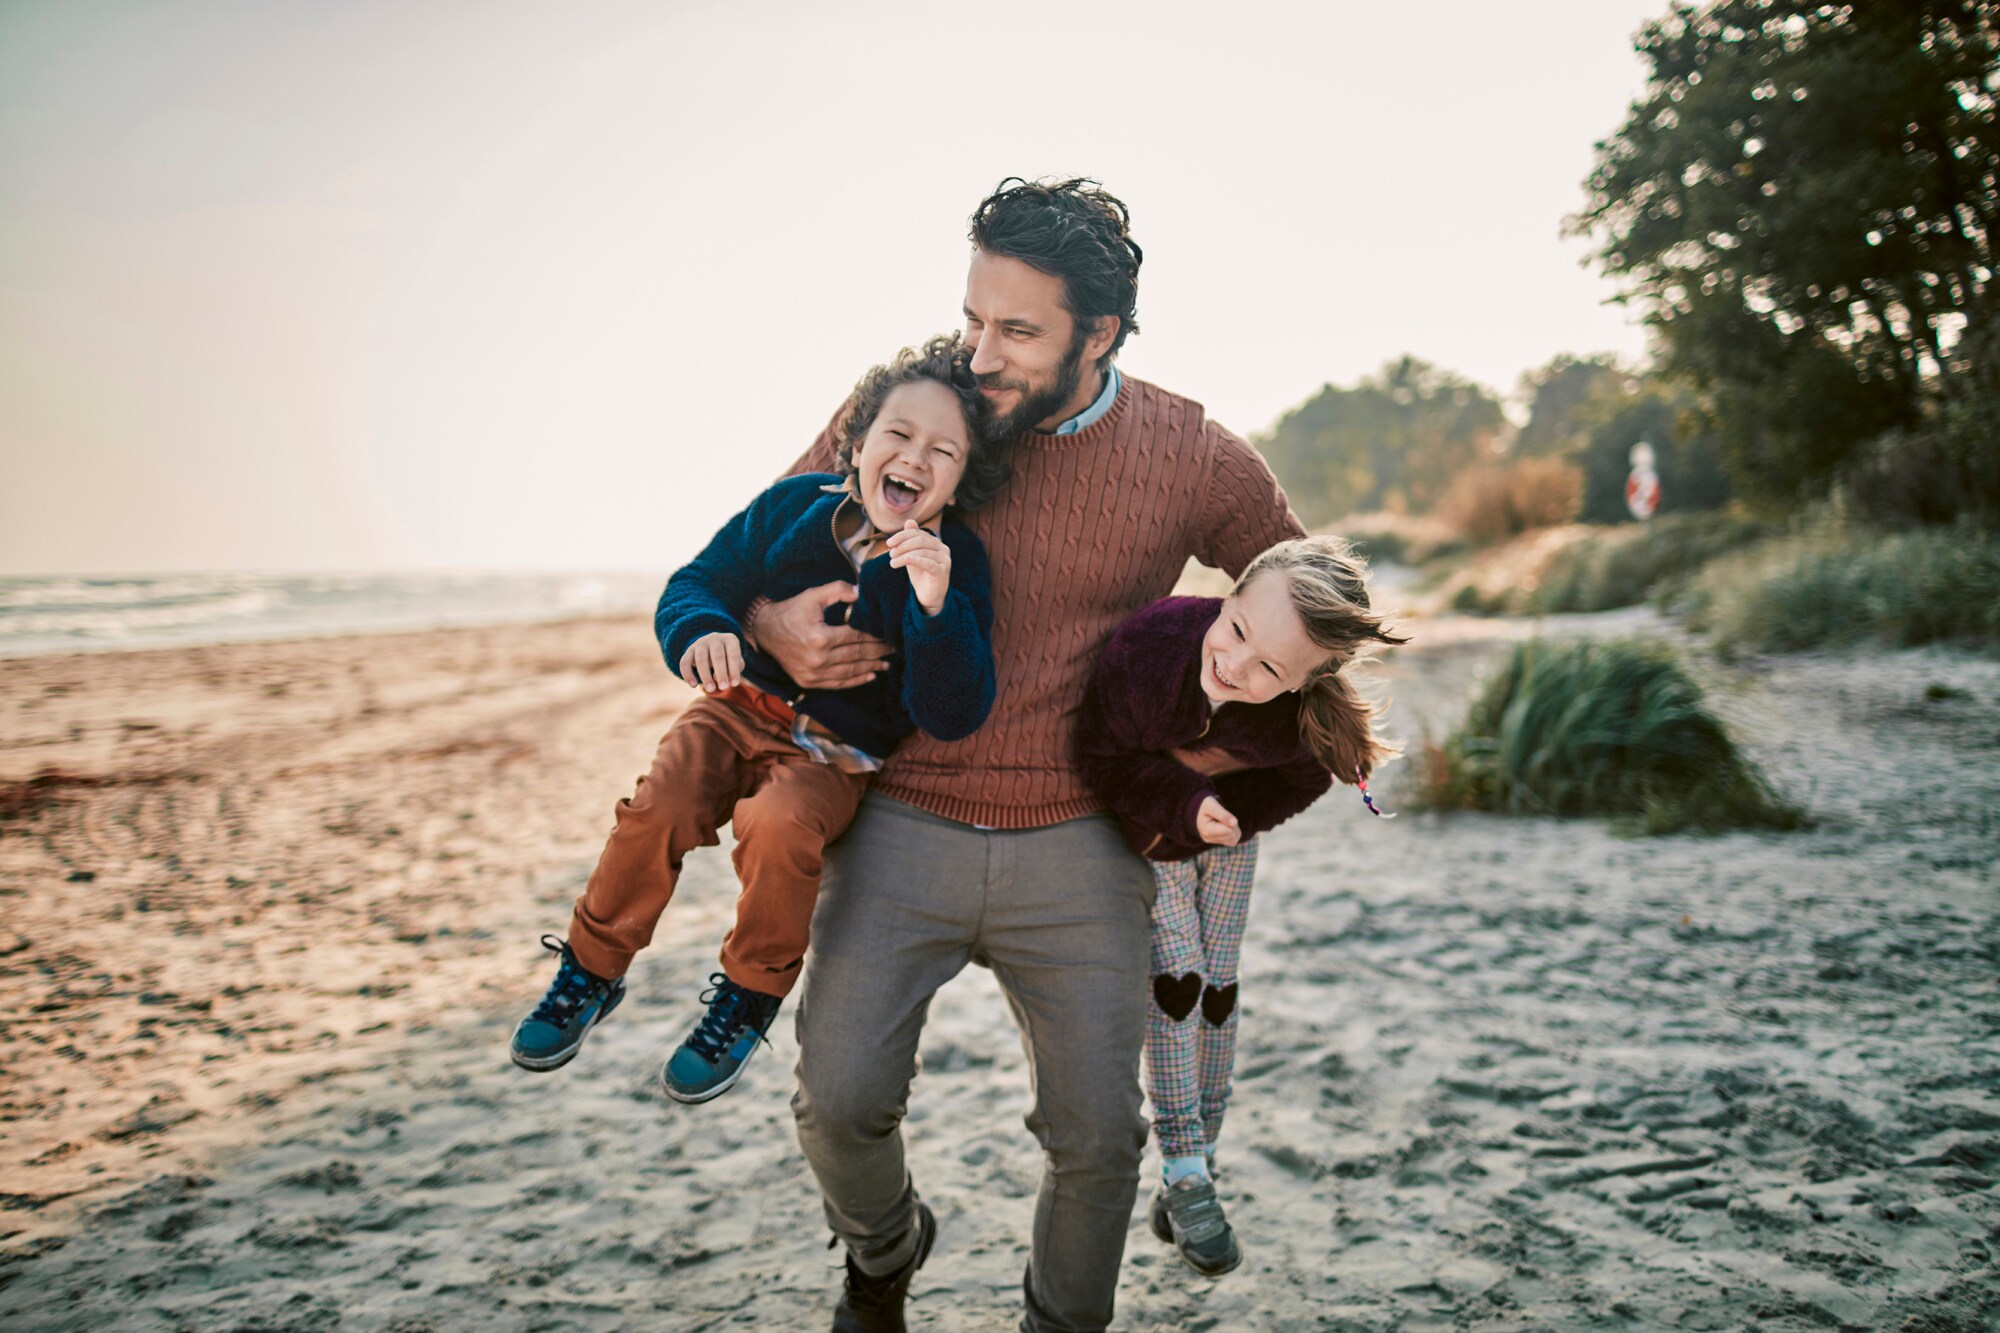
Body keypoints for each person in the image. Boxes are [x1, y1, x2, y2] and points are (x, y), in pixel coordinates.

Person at [752, 178, 1308, 1333]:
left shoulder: (1188, 452)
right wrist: (772, 625)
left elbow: (1313, 602)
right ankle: (884, 1249)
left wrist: (1228, 768)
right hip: (900, 811)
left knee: (1099, 1138)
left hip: (1086, 840)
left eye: (1016, 331)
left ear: (1095, 335)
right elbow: (753, 546)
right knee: (838, 1100)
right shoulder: (906, 411)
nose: (979, 353)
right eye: (971, 318)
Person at [509, 335, 1004, 1105]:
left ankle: (748, 995)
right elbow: (700, 581)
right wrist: (710, 630)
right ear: (859, 442)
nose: (915, 457)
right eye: (899, 435)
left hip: (833, 755)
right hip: (734, 711)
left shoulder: (953, 564)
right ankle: (591, 968)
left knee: (776, 825)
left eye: (944, 450)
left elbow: (953, 709)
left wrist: (936, 606)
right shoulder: (790, 507)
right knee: (658, 805)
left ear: (963, 479)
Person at [1076, 535, 1406, 1278]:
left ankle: (1203, 1155)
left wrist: (1230, 813)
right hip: (1154, 832)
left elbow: (1301, 779)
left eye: (1270, 670)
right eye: (1236, 633)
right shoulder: (1151, 649)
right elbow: (1100, 755)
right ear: (1228, 596)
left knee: (1219, 988)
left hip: (1229, 834)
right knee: (1179, 978)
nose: (1235, 665)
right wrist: (1183, 803)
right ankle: (1183, 1167)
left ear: (1306, 680)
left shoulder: (1293, 718)